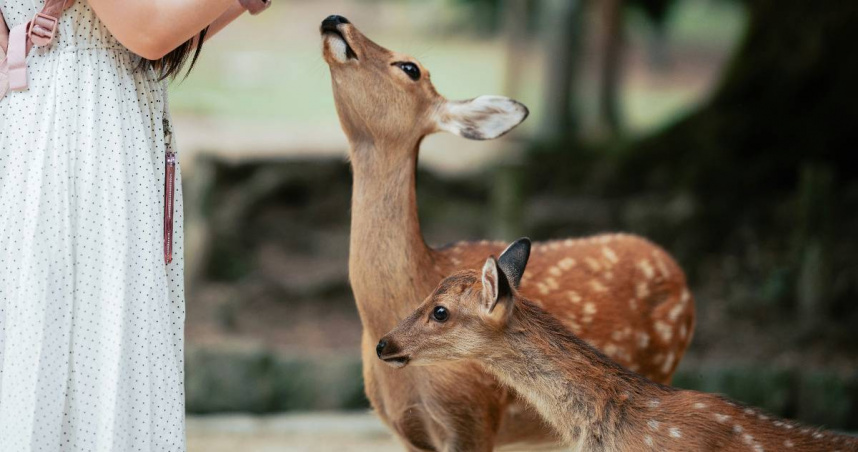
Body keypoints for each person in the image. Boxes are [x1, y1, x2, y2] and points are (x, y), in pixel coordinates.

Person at [0, 1, 269, 450]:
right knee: (95, 351)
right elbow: (149, 32)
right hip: (80, 131)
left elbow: (161, 36)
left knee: (89, 353)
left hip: (77, 119)